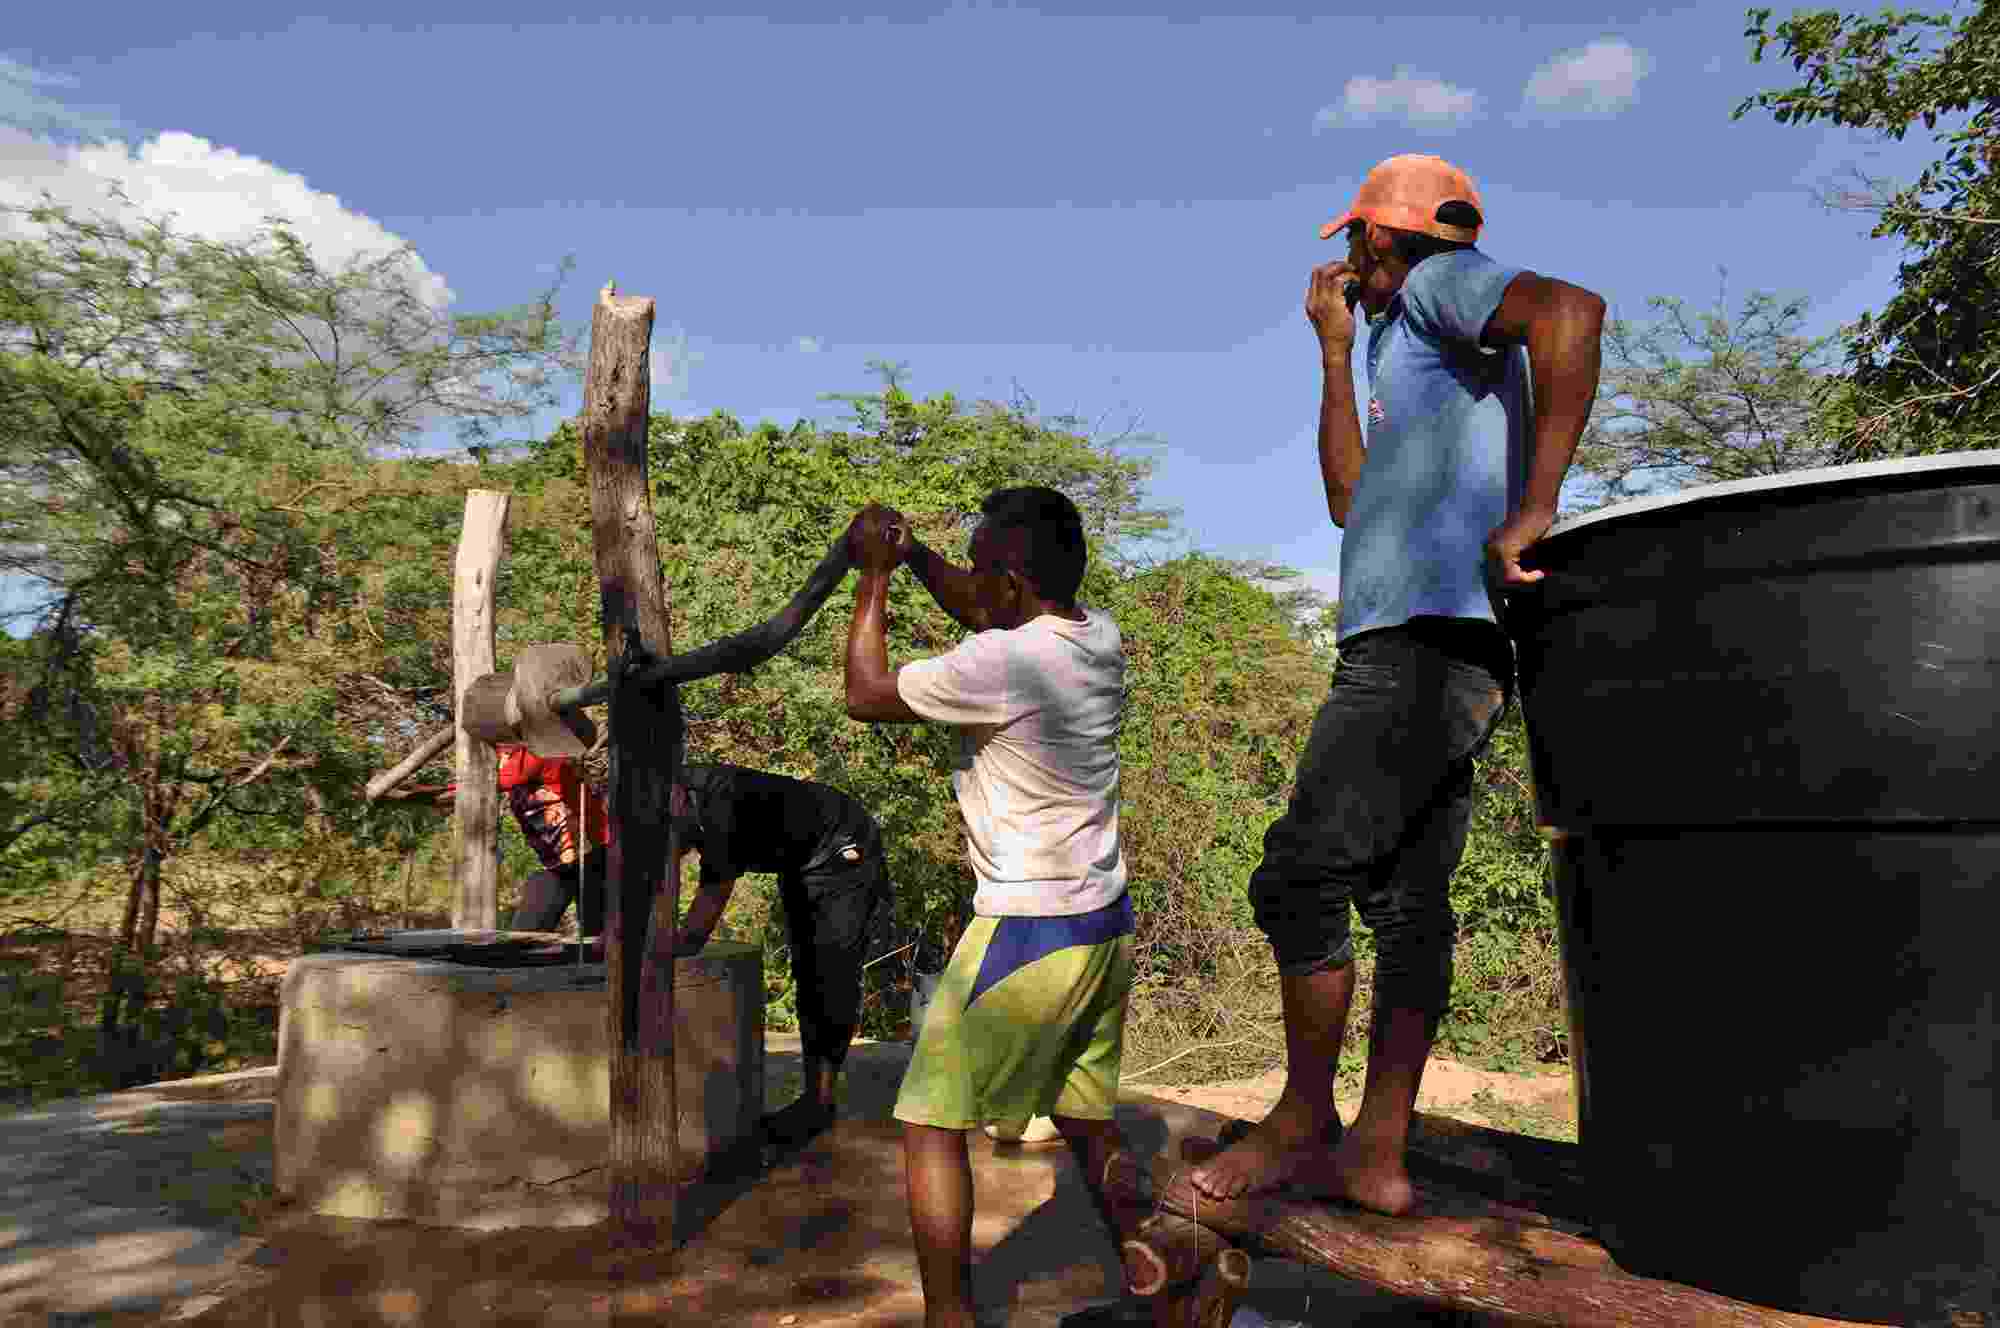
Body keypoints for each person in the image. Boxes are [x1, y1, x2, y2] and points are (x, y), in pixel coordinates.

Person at [1186, 153, 1606, 1215]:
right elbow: (1344, 497)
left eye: (1349, 244)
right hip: (1434, 646)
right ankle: (1376, 1149)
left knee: (1296, 876)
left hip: (1417, 647)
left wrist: (1537, 504)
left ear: (1381, 237)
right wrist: (1333, 352)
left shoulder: (1434, 284)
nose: (1343, 263)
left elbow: (1571, 310)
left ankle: (1300, 1117)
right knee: (1407, 903)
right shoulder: (1395, 335)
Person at [842, 488, 1133, 1328]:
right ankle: (1162, 1263)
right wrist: (917, 553)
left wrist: (873, 579)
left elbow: (866, 692)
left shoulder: (1003, 664)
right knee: (1084, 1116)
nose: (968, 583)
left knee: (930, 1123)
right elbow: (986, 601)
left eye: (980, 567)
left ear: (1009, 580)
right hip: (1101, 922)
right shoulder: (1095, 636)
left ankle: (948, 1316)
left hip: (1028, 924)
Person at [663, 762, 893, 1150]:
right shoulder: (673, 796)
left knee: (829, 973)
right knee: (808, 971)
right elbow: (662, 864)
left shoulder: (722, 807)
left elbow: (703, 915)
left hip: (842, 848)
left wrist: (671, 950)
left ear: (678, 799)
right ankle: (814, 1100)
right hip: (802, 857)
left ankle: (819, 1103)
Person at [390, 743, 611, 934]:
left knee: (599, 939)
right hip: (560, 866)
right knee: (524, 936)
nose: (500, 760)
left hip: (596, 857)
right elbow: (470, 786)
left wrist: (412, 795)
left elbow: (474, 790)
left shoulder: (536, 753)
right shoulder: (503, 758)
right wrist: (414, 791)